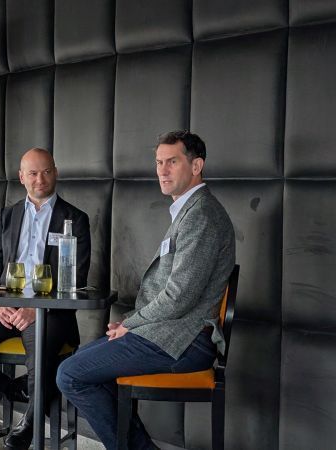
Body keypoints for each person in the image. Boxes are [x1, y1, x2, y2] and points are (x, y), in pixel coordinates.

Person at [56, 130, 235, 450]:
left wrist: (130, 324)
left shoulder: (202, 216)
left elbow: (180, 296)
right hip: (167, 333)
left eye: (172, 162)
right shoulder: (189, 211)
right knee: (82, 361)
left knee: (70, 374)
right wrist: (132, 323)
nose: (162, 170)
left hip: (184, 341)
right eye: (158, 162)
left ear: (196, 166)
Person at [0, 147, 91, 450]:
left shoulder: (75, 219)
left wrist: (35, 309)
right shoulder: (8, 215)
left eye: (47, 171)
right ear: (21, 177)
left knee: (40, 360)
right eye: (34, 173)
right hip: (5, 308)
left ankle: (28, 426)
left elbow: (76, 278)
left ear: (56, 172)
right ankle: (20, 392)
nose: (41, 179)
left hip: (49, 313)